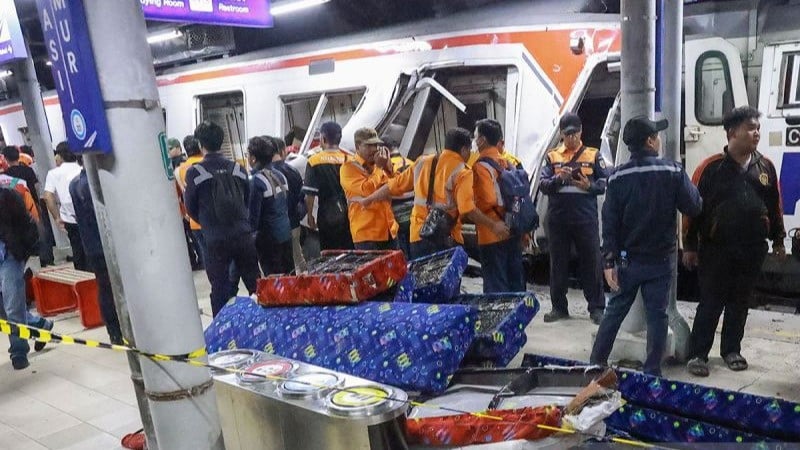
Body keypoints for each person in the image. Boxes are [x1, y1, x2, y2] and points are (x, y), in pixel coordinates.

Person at [589, 116, 702, 377]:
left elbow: (609, 221)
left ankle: (596, 364)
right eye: (657, 136)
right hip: (661, 261)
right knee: (657, 315)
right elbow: (694, 206)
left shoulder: (617, 176)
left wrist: (609, 262)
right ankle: (652, 370)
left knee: (615, 311)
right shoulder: (672, 171)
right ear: (651, 141)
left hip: (627, 261)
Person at [684, 106, 786, 377]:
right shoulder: (709, 168)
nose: (756, 133)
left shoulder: (765, 167)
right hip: (716, 248)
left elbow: (775, 205)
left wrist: (778, 239)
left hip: (752, 249)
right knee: (711, 302)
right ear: (732, 133)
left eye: (758, 128)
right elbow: (693, 210)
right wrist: (690, 247)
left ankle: (731, 350)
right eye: (751, 128)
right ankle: (698, 353)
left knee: (740, 302)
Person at [358, 128, 509, 259]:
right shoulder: (463, 172)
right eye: (469, 150)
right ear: (464, 149)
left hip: (418, 235)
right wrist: (494, 225)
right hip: (445, 238)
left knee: (423, 287)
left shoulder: (422, 162)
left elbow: (393, 186)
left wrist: (369, 199)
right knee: (447, 289)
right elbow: (467, 209)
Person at [539, 113, 610, 325]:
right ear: (561, 134)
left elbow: (606, 182)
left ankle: (596, 308)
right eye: (567, 134)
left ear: (581, 132)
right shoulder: (552, 157)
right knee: (558, 264)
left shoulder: (593, 155)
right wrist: (558, 179)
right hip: (558, 219)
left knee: (591, 262)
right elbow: (543, 185)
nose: (571, 137)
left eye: (574, 133)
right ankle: (559, 307)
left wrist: (590, 186)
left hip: (585, 219)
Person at [184, 122, 260, 316]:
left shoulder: (195, 172)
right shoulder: (238, 168)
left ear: (201, 144)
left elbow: (190, 207)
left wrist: (208, 224)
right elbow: (247, 198)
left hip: (215, 238)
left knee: (219, 288)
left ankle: (222, 332)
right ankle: (265, 326)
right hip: (243, 234)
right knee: (256, 286)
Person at [69, 162, 123, 344]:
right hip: (107, 244)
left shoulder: (75, 183)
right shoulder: (94, 183)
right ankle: (120, 329)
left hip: (92, 245)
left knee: (105, 288)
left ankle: (114, 331)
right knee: (115, 288)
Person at [473, 119, 520, 293]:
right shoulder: (509, 163)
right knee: (515, 282)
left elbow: (488, 200)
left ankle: (500, 321)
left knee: (496, 288)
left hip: (491, 234)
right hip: (513, 229)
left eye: (475, 136)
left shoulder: (481, 166)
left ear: (482, 140)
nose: (474, 140)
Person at [0, 186, 40, 369]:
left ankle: (18, 351)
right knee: (4, 310)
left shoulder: (8, 196)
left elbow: (25, 224)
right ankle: (41, 324)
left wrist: (22, 253)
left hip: (9, 255)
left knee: (13, 305)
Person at [340, 128, 398, 250]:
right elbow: (367, 190)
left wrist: (389, 169)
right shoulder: (348, 168)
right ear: (357, 146)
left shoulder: (379, 164)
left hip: (389, 230)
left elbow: (396, 187)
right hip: (367, 235)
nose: (374, 149)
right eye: (369, 145)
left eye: (376, 145)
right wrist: (379, 168)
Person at [303, 121, 354, 250]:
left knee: (329, 252)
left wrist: (310, 215)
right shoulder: (349, 159)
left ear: (323, 138)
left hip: (326, 215)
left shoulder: (314, 161)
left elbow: (310, 194)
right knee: (349, 250)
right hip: (349, 212)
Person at [248, 136, 294, 275]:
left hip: (268, 241)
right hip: (286, 234)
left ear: (253, 158)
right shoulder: (280, 175)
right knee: (290, 276)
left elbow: (253, 218)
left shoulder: (256, 181)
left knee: (275, 281)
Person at [43, 143, 86, 270]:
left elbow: (48, 196)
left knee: (78, 250)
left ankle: (83, 279)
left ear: (60, 156)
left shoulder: (53, 173)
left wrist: (57, 217)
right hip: (88, 215)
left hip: (69, 218)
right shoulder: (82, 168)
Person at [268, 136, 307, 272]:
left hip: (273, 228)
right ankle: (304, 289)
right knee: (298, 259)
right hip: (294, 222)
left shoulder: (265, 175)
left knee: (278, 265)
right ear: (283, 151)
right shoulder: (292, 171)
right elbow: (302, 197)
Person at [175, 135, 206, 270]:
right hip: (216, 220)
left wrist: (186, 212)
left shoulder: (181, 169)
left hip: (195, 220)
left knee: (206, 256)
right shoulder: (208, 162)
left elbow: (183, 193)